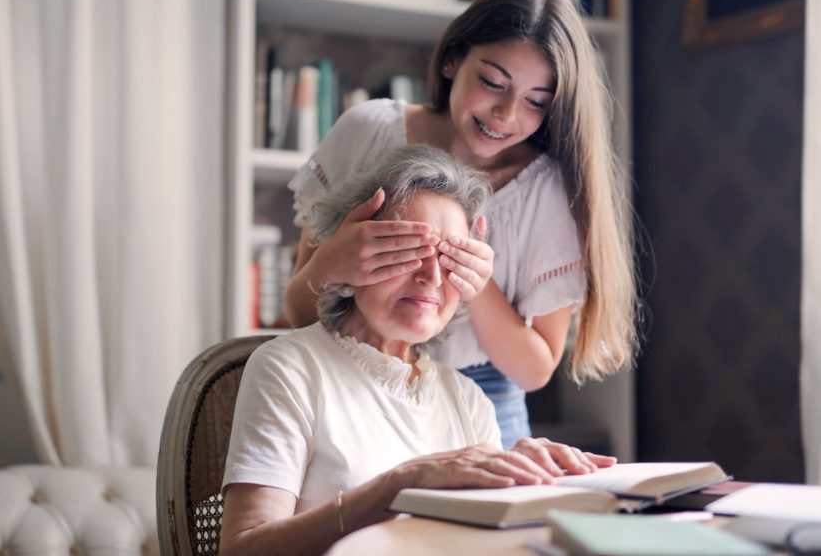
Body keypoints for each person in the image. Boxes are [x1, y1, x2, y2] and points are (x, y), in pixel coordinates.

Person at [284, 0, 638, 448]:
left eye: (536, 102)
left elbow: (535, 370)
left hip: (485, 403)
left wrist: (473, 281)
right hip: (352, 384)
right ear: (452, 60)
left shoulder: (547, 192)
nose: (505, 114)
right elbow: (296, 312)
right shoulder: (367, 131)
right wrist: (334, 262)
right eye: (492, 82)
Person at [220, 145, 617, 556]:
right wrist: (404, 482)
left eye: (451, 259)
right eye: (409, 249)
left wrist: (534, 483)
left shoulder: (469, 401)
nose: (430, 275)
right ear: (356, 252)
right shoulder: (289, 370)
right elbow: (242, 549)